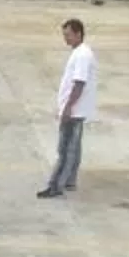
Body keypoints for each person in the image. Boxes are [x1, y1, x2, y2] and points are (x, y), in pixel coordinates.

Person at [39, 19, 97, 199]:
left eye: (68, 35)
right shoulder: (82, 53)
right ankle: (70, 180)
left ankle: (56, 185)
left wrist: (67, 108)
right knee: (74, 147)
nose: (66, 39)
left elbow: (79, 84)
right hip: (77, 110)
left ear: (79, 33)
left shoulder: (81, 55)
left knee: (65, 149)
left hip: (74, 111)